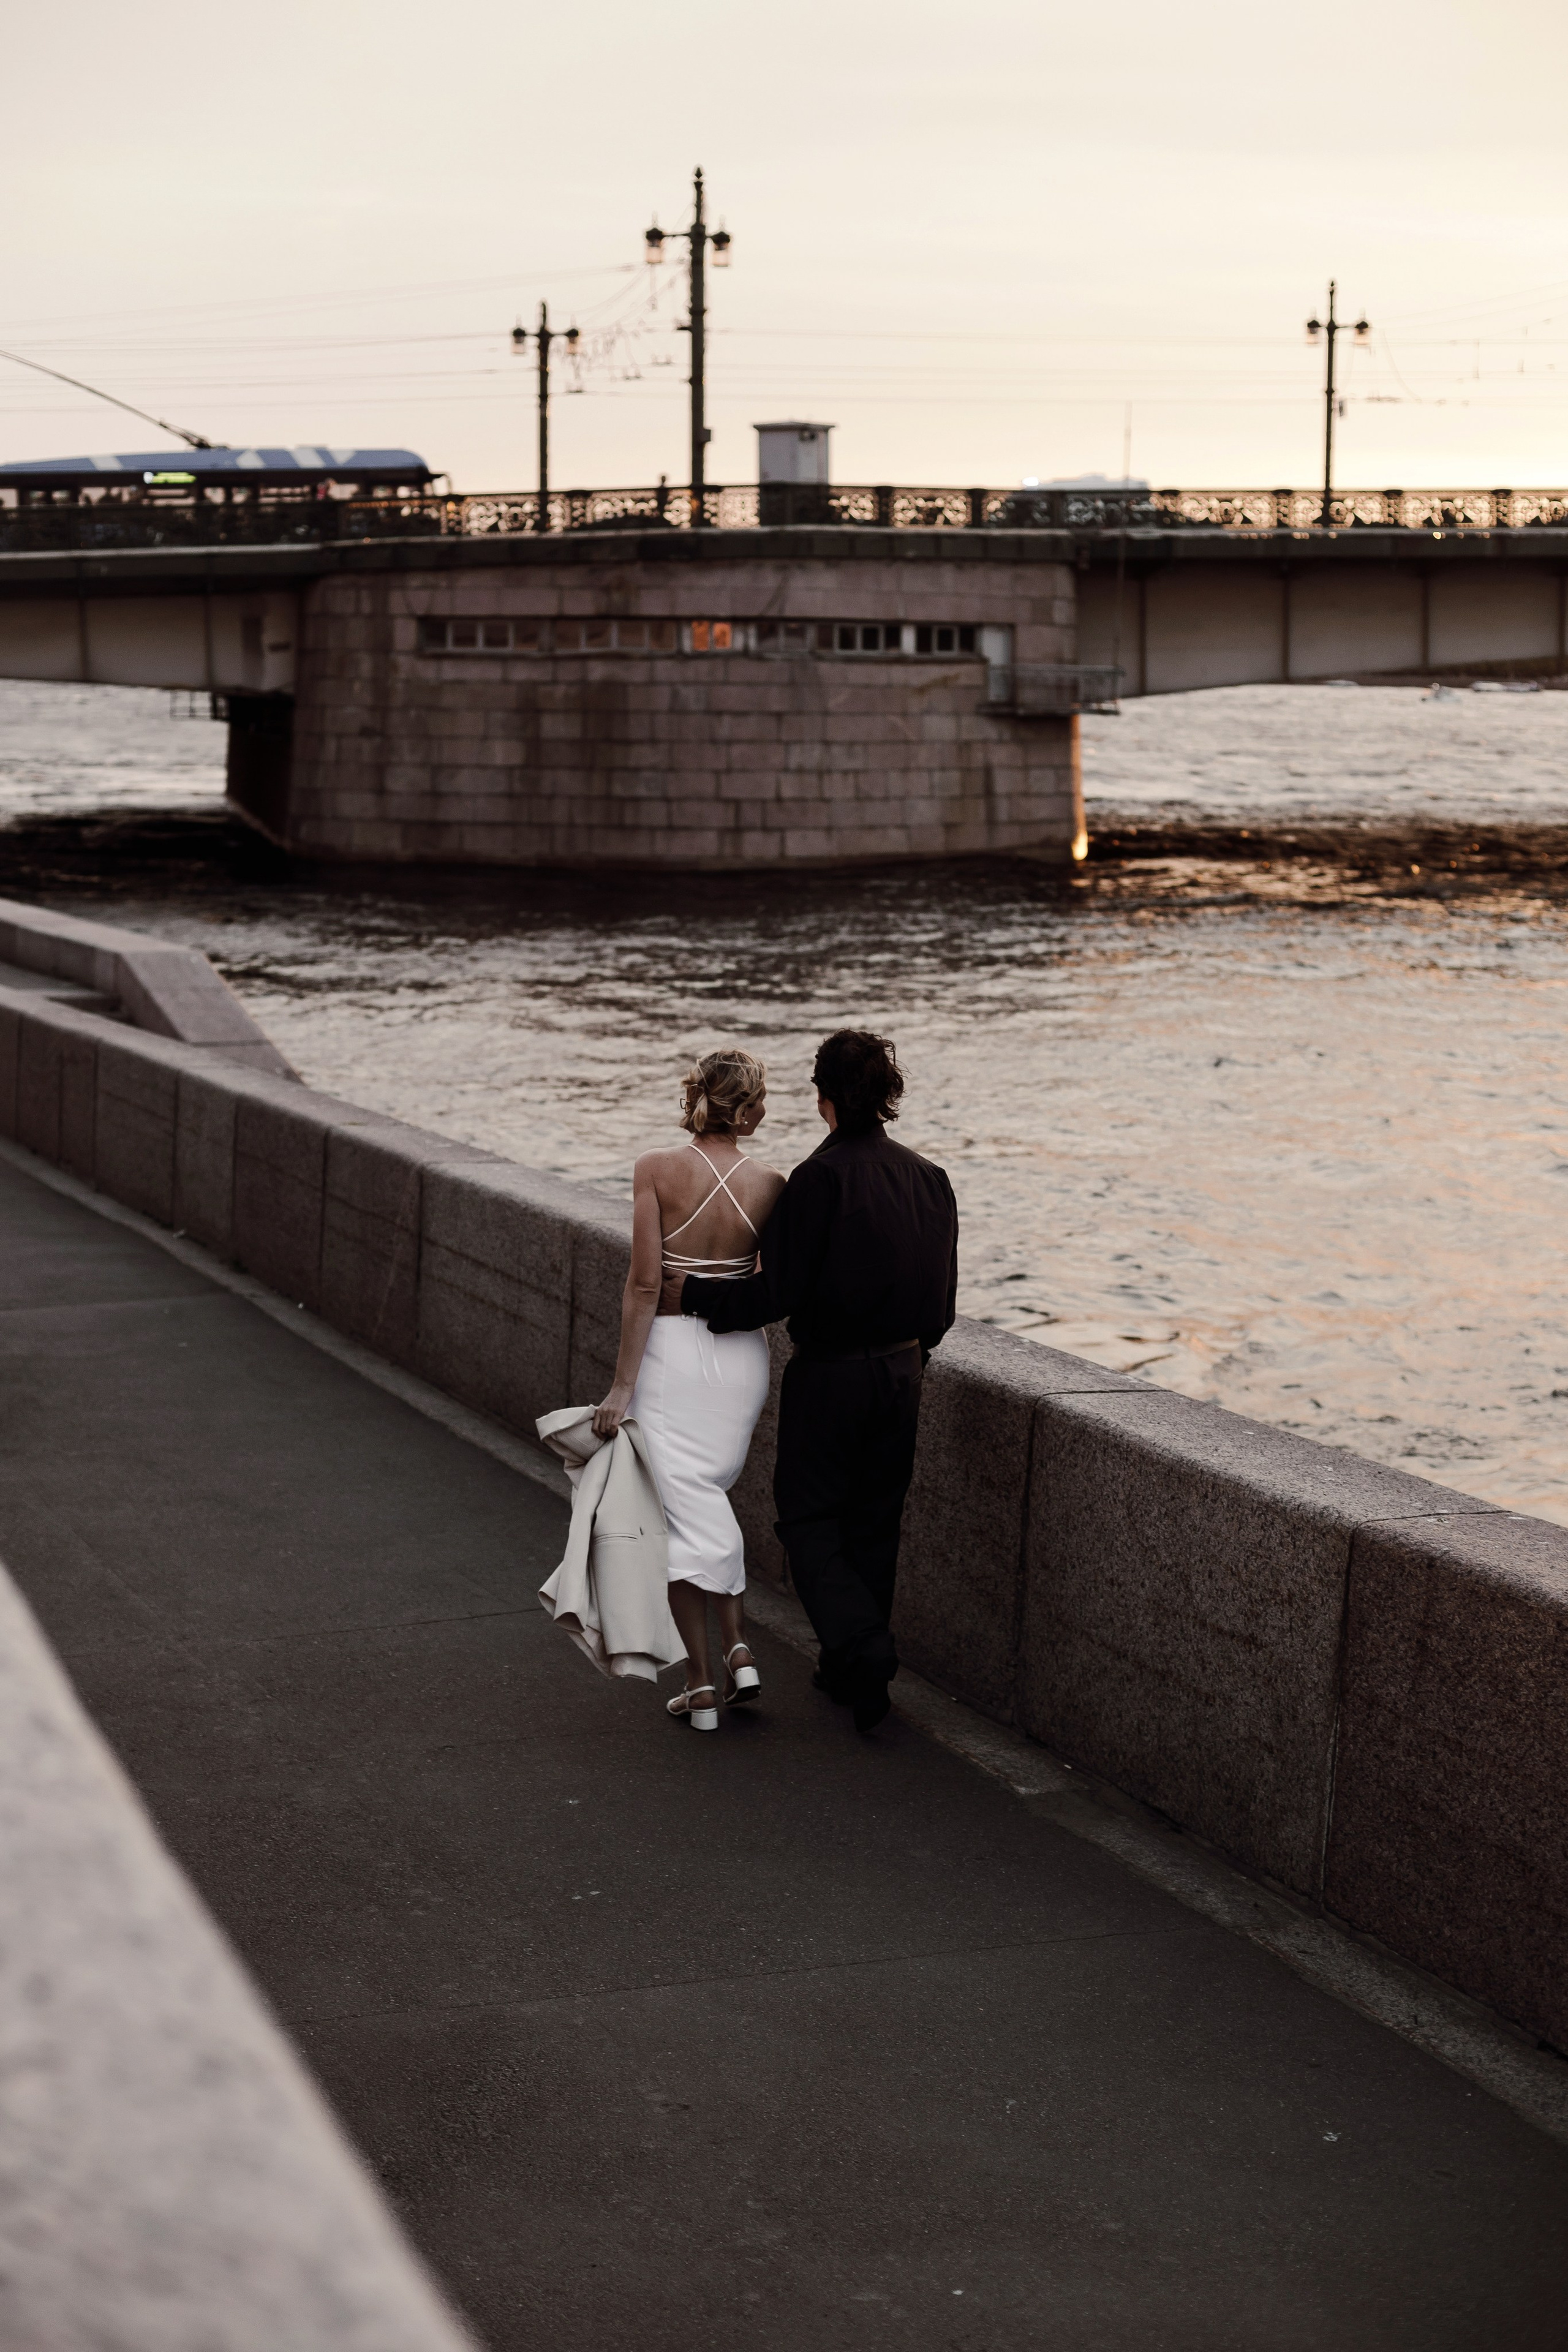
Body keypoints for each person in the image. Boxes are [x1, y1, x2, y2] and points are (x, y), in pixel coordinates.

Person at [669, 1030, 957, 1735]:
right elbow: (942, 1304)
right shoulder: (929, 1177)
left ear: (821, 1095)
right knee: (874, 1524)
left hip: (831, 1375)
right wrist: (908, 1362)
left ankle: (865, 1649)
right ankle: (849, 1672)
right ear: (886, 1094)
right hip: (903, 1371)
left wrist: (694, 1295)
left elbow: (776, 1295)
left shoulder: (817, 1180)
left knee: (807, 1521)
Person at [593, 1050, 786, 1732]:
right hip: (739, 1358)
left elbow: (646, 1283)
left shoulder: (655, 1168)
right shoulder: (772, 1183)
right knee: (706, 1495)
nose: (768, 1109)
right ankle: (737, 1649)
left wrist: (621, 1386)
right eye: (763, 1099)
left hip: (671, 1357)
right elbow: (766, 1286)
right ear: (746, 1107)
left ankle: (702, 1685)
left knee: (681, 1513)